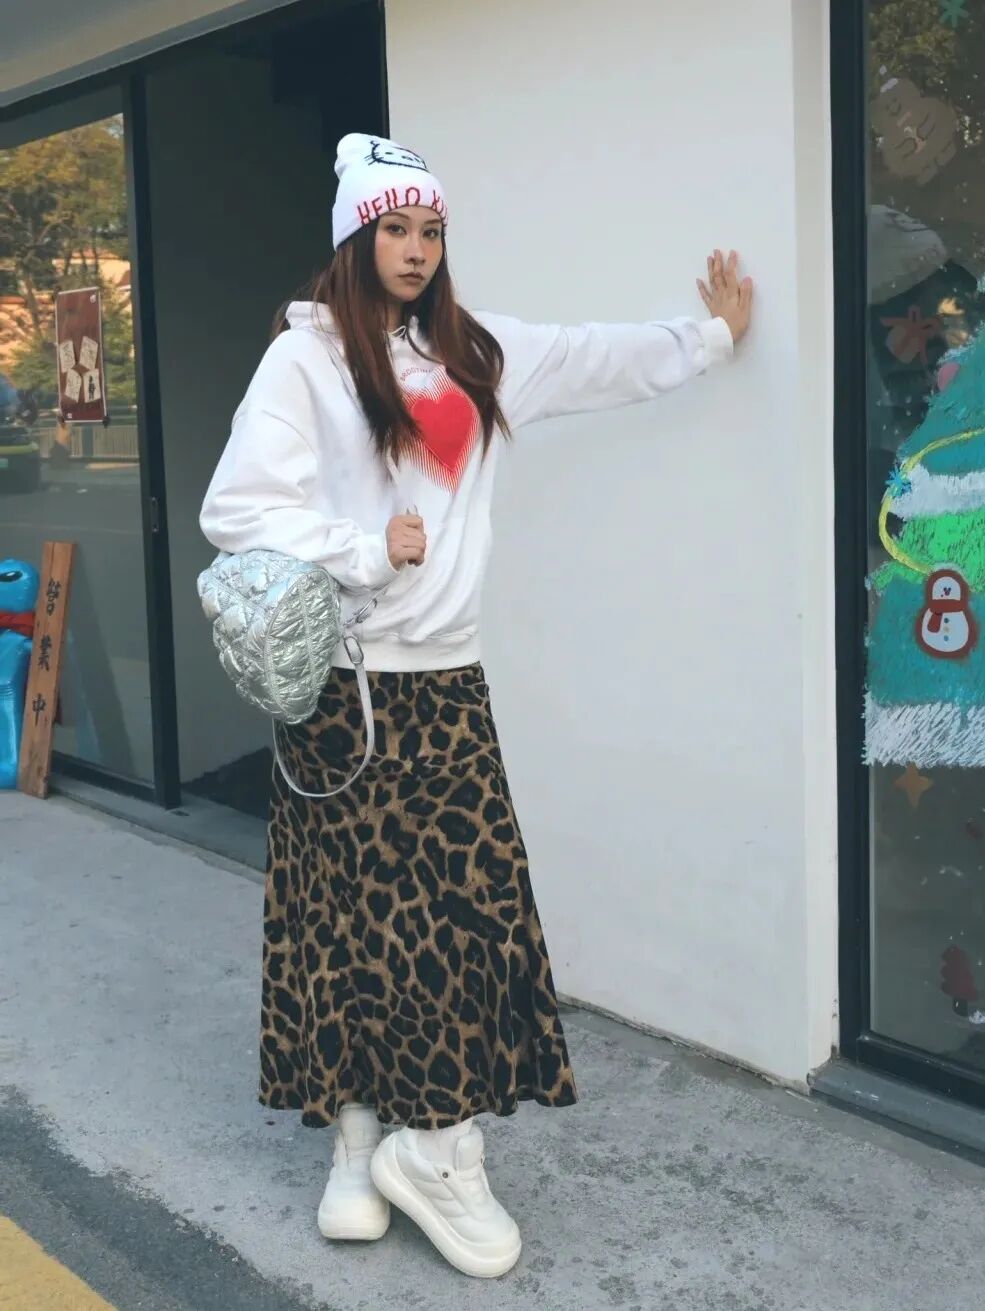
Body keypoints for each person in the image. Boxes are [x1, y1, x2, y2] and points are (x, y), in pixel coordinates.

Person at [199, 132, 753, 1280]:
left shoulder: (474, 354)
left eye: (430, 230)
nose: (414, 249)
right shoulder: (305, 361)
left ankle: (427, 1146)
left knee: (460, 925)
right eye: (394, 229)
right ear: (356, 238)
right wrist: (365, 545)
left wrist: (707, 339)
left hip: (445, 684)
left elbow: (593, 359)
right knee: (347, 925)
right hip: (344, 692)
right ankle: (362, 1147)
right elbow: (236, 508)